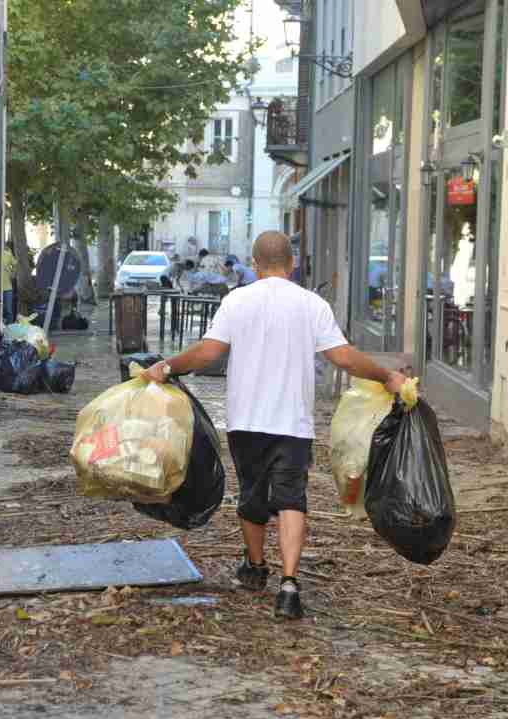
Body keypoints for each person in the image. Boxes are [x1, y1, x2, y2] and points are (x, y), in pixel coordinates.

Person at [142, 231, 407, 620]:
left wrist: (167, 366)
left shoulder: (237, 300)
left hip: (246, 420)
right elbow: (344, 357)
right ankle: (289, 583)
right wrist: (386, 377)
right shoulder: (311, 304)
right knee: (291, 499)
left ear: (254, 262)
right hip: (293, 422)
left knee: (252, 495)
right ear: (293, 263)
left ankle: (255, 567)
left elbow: (209, 352)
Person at [1, 241, 18, 326]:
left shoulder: (8, 254)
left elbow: (15, 264)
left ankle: (10, 330)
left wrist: (13, 273)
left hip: (7, 287)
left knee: (9, 311)